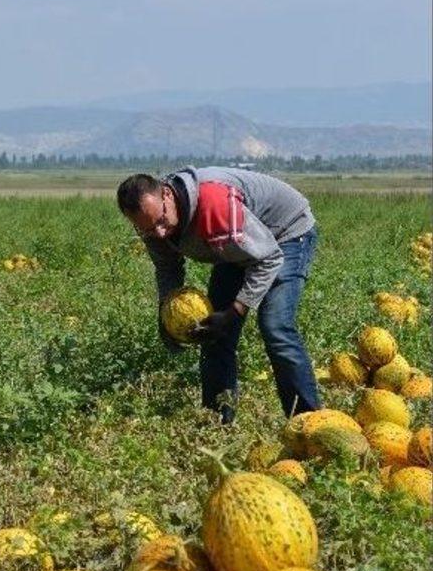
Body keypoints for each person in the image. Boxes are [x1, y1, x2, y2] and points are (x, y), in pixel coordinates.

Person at [117, 166, 321, 422]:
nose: (159, 232)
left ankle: (311, 424)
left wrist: (235, 311)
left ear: (167, 195)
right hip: (236, 246)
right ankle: (216, 423)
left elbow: (268, 258)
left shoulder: (214, 206)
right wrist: (165, 316)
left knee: (275, 327)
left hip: (285, 235)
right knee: (213, 335)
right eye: (147, 229)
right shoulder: (151, 225)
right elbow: (168, 269)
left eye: (161, 221)